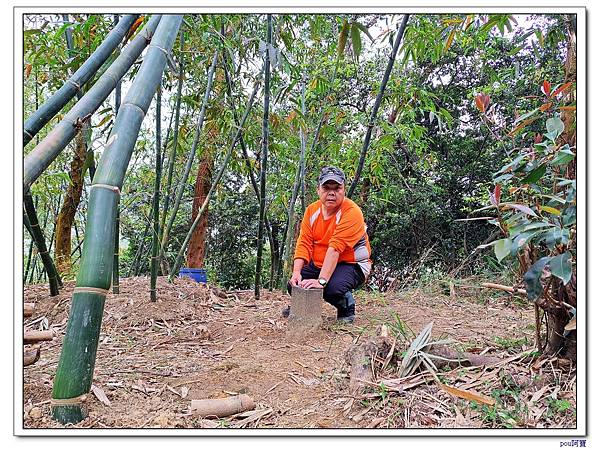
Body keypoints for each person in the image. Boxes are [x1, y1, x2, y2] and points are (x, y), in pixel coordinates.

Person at [284, 166, 372, 323]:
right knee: (294, 284)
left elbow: (335, 248)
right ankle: (303, 306)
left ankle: (346, 306)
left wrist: (321, 281)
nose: (331, 193)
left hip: (351, 264)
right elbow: (304, 242)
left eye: (337, 188)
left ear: (344, 190)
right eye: (326, 187)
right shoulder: (312, 211)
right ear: (318, 190)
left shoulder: (352, 212)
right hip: (322, 262)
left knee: (332, 288)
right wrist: (296, 272)